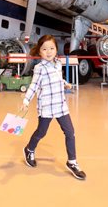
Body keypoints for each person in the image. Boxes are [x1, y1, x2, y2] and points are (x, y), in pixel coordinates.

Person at [21, 35, 86, 180]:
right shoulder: (39, 68)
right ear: (39, 52)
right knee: (41, 132)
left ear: (56, 49)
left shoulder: (58, 63)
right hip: (47, 107)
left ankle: (72, 162)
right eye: (44, 49)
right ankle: (29, 149)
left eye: (51, 48)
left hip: (61, 105)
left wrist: (65, 83)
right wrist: (26, 100)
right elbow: (34, 85)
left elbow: (56, 78)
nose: (48, 52)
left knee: (70, 132)